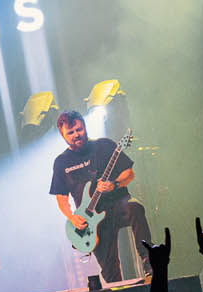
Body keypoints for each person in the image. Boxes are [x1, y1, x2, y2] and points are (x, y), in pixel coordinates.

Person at [48, 110, 150, 282]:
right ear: (62, 134)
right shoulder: (61, 162)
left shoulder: (104, 146)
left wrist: (114, 184)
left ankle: (150, 265)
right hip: (91, 221)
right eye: (70, 132)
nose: (76, 135)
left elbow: (129, 173)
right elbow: (61, 198)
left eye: (79, 130)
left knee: (135, 207)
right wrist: (72, 218)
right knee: (111, 274)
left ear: (84, 127)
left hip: (117, 204)